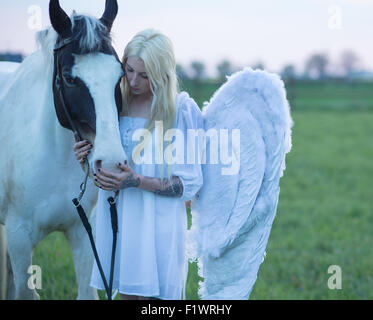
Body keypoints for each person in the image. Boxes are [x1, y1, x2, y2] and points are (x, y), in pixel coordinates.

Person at [73, 29, 204, 300]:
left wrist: (136, 181)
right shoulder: (112, 107)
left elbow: (188, 184)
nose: (133, 81)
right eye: (129, 69)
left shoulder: (180, 111)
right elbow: (105, 171)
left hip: (159, 225)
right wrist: (86, 159)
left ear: (162, 74)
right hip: (120, 219)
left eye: (144, 75)